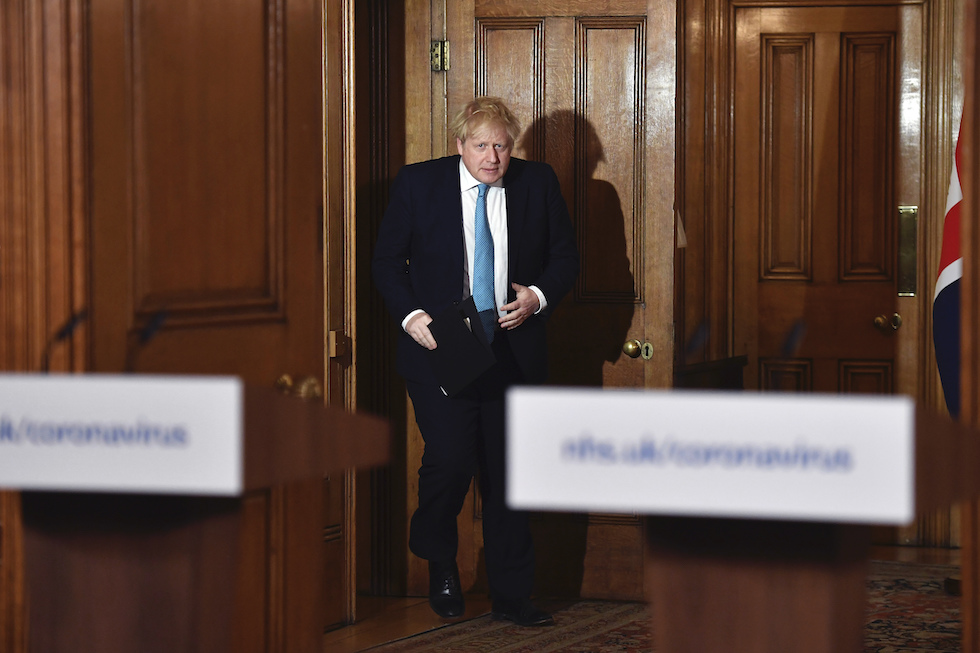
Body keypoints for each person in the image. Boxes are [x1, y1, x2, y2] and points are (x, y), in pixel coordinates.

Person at [372, 96, 579, 627]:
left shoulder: (537, 183)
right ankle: (440, 559)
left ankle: (513, 595)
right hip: (443, 344)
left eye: (502, 147)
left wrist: (536, 296)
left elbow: (565, 259)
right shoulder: (420, 184)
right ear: (460, 145)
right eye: (482, 146)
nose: (493, 157)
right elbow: (387, 262)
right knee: (451, 460)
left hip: (512, 346)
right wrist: (412, 315)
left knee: (509, 474)